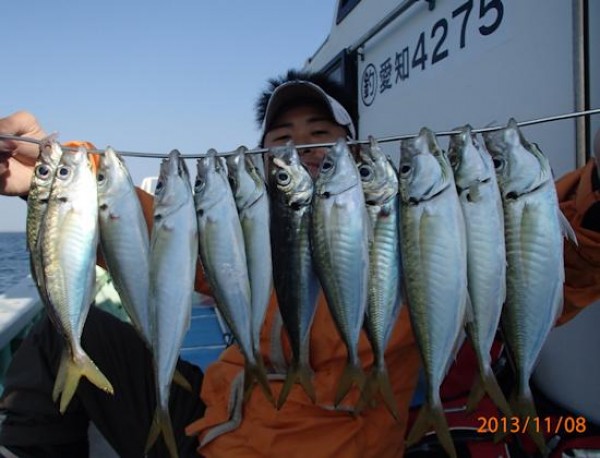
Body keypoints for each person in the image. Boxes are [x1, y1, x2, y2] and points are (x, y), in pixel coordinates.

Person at [0, 69, 598, 458]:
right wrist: (53, 178)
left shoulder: (413, 239)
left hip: (329, 447)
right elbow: (156, 229)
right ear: (263, 159)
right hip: (209, 429)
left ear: (355, 149)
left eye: (320, 131)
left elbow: (545, 248)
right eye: (281, 137)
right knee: (60, 339)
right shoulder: (247, 233)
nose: (301, 146)